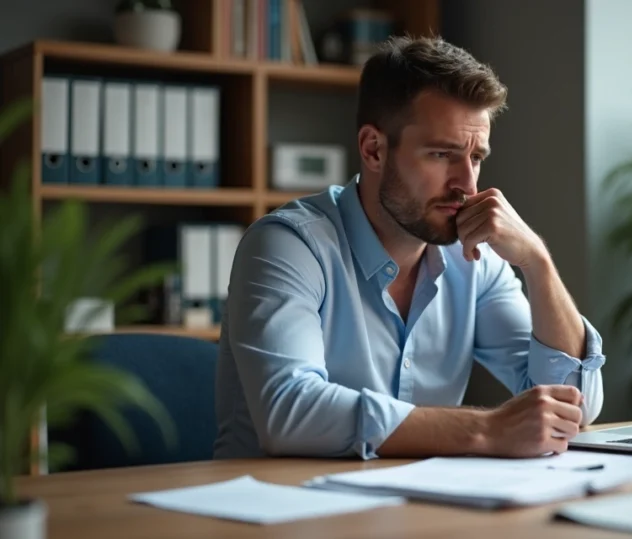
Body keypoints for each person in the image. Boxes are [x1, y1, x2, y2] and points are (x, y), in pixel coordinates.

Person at [213, 35, 606, 461]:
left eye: (476, 158)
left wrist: (537, 261)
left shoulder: (475, 262)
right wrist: (486, 429)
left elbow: (574, 404)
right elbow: (289, 413)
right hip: (275, 499)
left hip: (415, 498)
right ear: (374, 150)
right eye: (441, 154)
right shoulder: (288, 246)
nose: (467, 185)